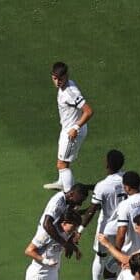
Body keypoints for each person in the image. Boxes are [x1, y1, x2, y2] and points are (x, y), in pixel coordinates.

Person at [47, 61, 92, 190]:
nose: (57, 82)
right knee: (61, 162)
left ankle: (69, 197)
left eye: (60, 79)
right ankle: (63, 183)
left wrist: (75, 128)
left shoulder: (70, 93)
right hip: (67, 128)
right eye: (54, 78)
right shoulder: (64, 87)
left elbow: (88, 111)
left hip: (73, 131)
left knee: (62, 164)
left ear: (66, 76)